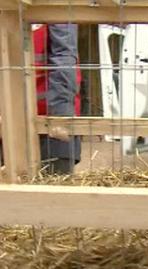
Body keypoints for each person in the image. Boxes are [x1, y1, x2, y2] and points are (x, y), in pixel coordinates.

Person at [33, 23, 82, 174]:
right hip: (8, 121)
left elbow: (64, 60)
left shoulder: (56, 10)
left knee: (56, 188)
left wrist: (59, 121)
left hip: (53, 120)